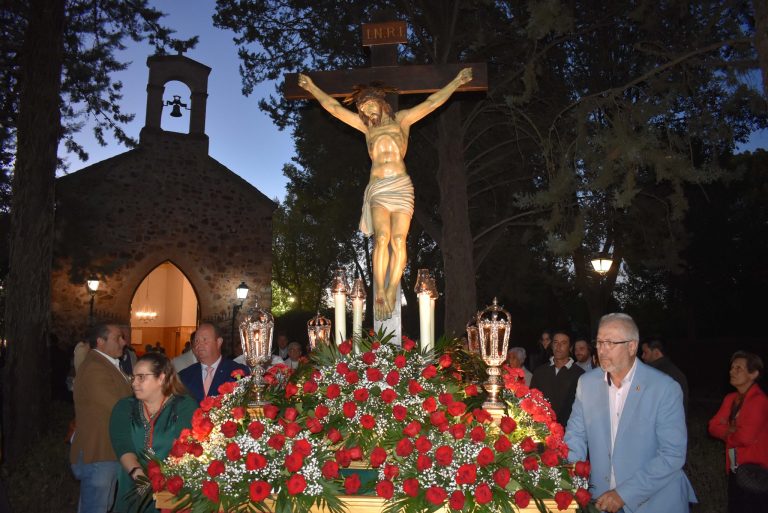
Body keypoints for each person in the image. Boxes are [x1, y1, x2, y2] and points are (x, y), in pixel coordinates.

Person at [298, 68, 473, 320]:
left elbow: (432, 102)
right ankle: (379, 290)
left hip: (401, 186)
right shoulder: (366, 128)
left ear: (381, 103)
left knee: (399, 240)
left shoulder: (402, 120)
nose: (368, 114)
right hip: (379, 189)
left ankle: (392, 289)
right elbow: (335, 109)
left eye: (370, 107)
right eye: (364, 111)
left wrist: (456, 81)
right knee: (382, 238)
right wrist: (312, 88)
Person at [565, 313, 696, 513]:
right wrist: (565, 477)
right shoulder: (587, 383)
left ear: (632, 346)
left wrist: (624, 493)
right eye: (599, 342)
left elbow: (672, 455)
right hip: (600, 500)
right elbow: (575, 435)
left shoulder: (664, 388)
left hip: (654, 502)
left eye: (610, 343)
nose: (602, 350)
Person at [109, 352, 196, 513]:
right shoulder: (124, 407)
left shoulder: (184, 406)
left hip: (170, 488)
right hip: (132, 486)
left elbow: (185, 446)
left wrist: (163, 482)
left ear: (161, 378)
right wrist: (138, 474)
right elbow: (122, 445)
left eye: (141, 377)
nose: (134, 383)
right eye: (133, 377)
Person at [70, 323, 133, 513]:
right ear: (100, 341)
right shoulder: (95, 368)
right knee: (96, 507)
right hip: (99, 453)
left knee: (99, 505)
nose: (123, 342)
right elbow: (118, 407)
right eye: (118, 338)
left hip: (106, 451)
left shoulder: (107, 364)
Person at [708, 351, 768, 512]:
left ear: (753, 374)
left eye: (739, 368)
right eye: (732, 367)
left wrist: (726, 431)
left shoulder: (759, 401)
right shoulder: (731, 398)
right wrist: (731, 431)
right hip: (736, 468)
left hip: (756, 471)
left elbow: (745, 437)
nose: (731, 371)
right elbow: (713, 426)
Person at [178, 323, 249, 403]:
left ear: (218, 342)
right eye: (196, 341)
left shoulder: (238, 372)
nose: (199, 345)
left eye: (204, 340)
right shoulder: (184, 376)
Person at [530, 330, 584, 426]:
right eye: (555, 342)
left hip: (570, 432)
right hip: (542, 430)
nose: (558, 346)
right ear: (552, 346)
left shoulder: (580, 375)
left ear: (570, 347)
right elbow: (531, 402)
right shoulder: (539, 372)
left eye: (563, 343)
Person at [641, 338, 689, 416]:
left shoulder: (656, 374)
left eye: (645, 352)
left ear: (656, 353)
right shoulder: (675, 371)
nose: (642, 356)